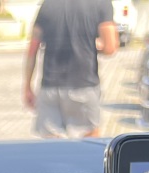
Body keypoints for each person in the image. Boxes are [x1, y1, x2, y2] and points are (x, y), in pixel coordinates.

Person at [23, 0, 120, 138]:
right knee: (88, 143)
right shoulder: (101, 3)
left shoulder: (48, 4)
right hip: (84, 85)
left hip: (50, 87)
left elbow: (32, 50)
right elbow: (110, 48)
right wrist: (91, 47)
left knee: (52, 144)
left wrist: (27, 86)